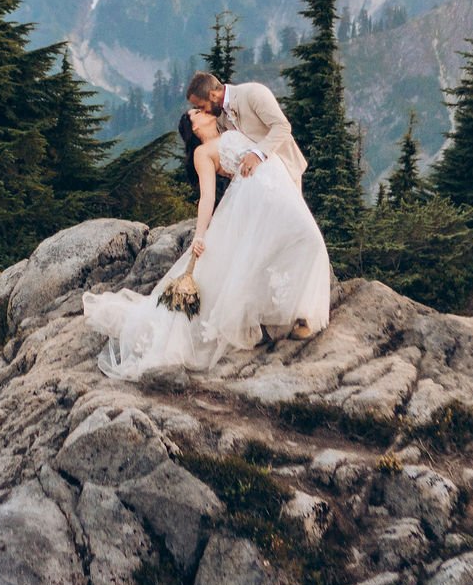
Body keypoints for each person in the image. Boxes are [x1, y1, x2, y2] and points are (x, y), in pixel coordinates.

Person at [83, 103, 332, 380]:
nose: (202, 111)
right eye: (196, 113)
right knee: (253, 263)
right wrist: (200, 236)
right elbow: (207, 198)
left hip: (272, 194)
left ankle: (298, 314)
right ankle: (282, 320)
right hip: (252, 201)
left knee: (306, 240)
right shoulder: (203, 153)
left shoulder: (232, 128)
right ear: (195, 127)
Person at [186, 71, 306, 188]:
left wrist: (257, 154)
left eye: (201, 106)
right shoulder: (219, 117)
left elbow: (282, 126)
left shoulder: (253, 93)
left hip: (285, 170)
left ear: (213, 95)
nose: (203, 112)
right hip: (256, 181)